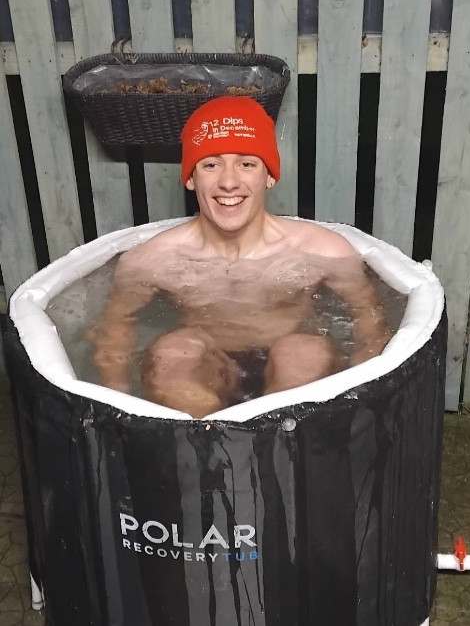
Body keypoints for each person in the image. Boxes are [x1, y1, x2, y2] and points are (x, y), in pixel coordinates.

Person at [87, 96, 392, 418]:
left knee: (302, 352)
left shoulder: (323, 251)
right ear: (190, 178)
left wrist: (367, 406)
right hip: (205, 365)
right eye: (211, 165)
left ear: (269, 175)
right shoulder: (151, 261)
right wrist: (116, 410)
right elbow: (113, 335)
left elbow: (371, 324)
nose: (229, 182)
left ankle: (284, 440)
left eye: (247, 164)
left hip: (294, 369)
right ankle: (199, 440)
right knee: (172, 352)